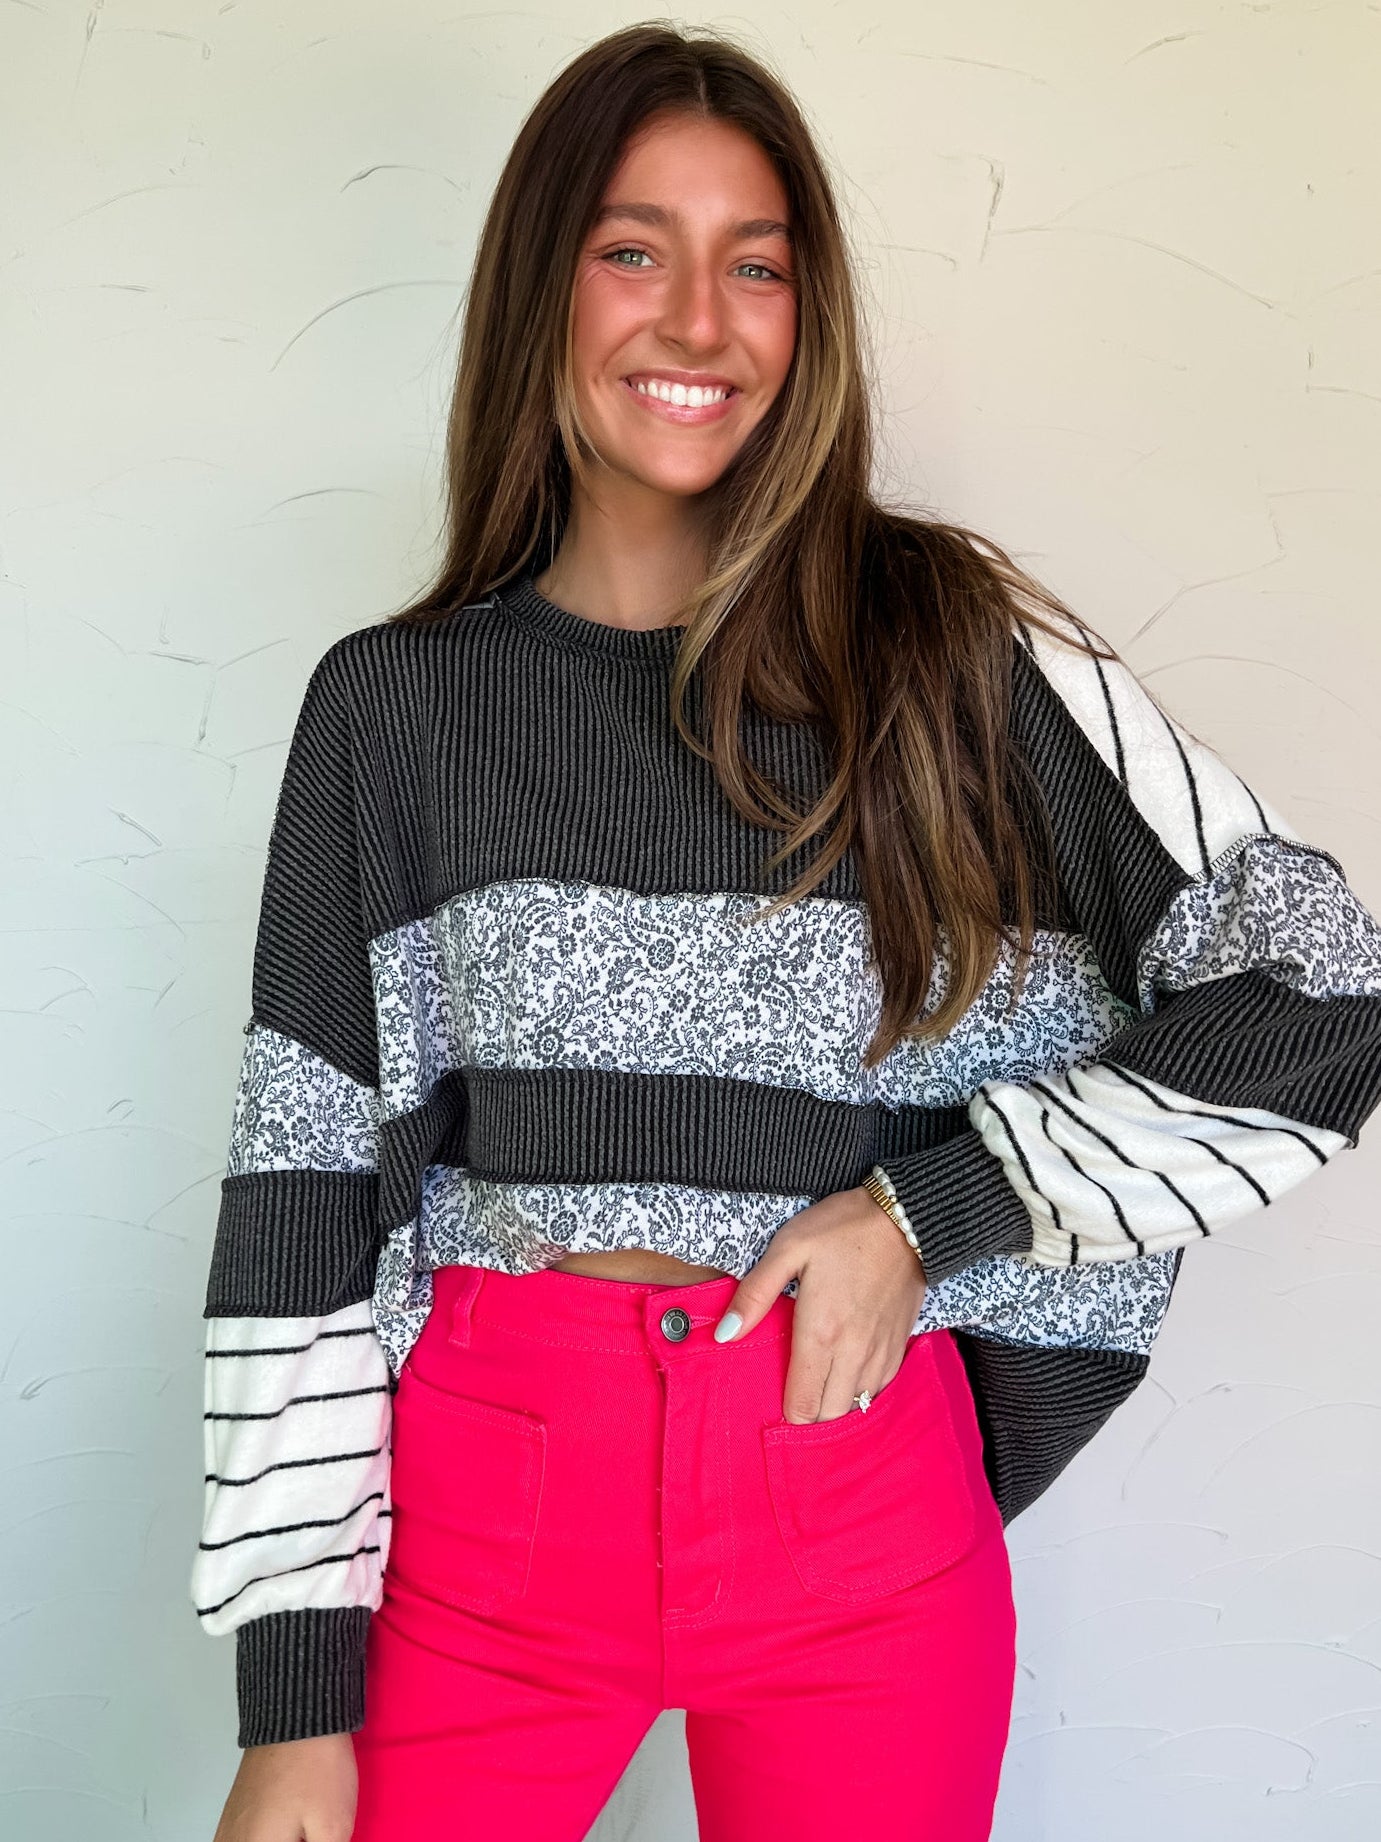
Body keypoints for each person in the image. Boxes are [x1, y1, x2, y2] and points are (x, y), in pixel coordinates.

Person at [192, 21, 1381, 1842]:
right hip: (482, 1525)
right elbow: (300, 1174)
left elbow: (1325, 990)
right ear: (541, 290)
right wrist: (292, 1694)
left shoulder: (953, 655)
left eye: (757, 266)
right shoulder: (395, 708)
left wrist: (938, 1210)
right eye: (629, 250)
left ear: (805, 320)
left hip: (852, 1509)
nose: (697, 322)